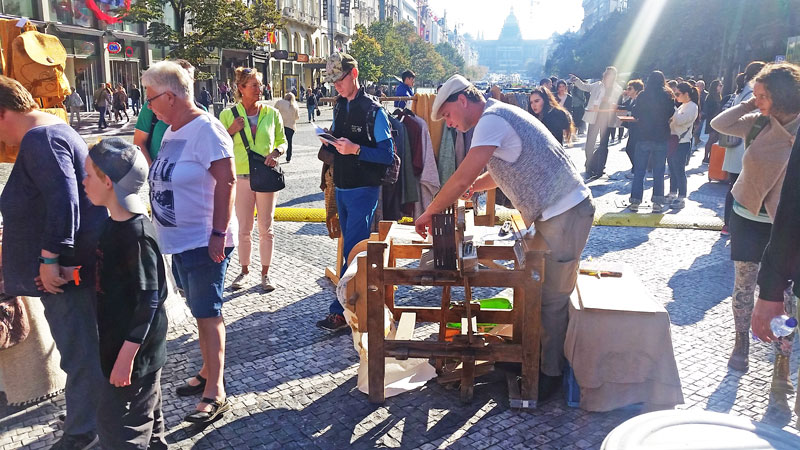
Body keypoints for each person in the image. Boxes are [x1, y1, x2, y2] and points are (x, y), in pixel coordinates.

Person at [417, 74, 594, 400]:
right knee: (536, 293)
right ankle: (527, 357)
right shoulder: (496, 115)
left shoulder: (490, 121)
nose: (450, 124)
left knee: (551, 299)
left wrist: (430, 212)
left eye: (448, 116)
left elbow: (460, 179)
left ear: (462, 101)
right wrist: (475, 186)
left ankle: (547, 375)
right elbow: (501, 168)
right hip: (556, 213)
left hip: (566, 213)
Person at [0, 75, 107, 449]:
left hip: (65, 271)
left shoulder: (40, 139)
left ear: (3, 114)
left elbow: (65, 202)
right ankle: (86, 415)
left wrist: (49, 259)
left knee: (77, 349)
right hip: (72, 265)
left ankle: (83, 431)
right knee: (80, 346)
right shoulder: (53, 129)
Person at [142, 61, 237, 424]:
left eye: (150, 98)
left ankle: (216, 390)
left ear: (170, 96)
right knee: (199, 310)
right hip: (179, 240)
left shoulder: (207, 130)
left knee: (208, 313)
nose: (147, 105)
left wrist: (217, 234)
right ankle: (206, 371)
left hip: (203, 239)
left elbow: (227, 183)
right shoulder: (171, 129)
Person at [711, 63, 800, 405]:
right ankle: (741, 342)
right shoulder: (758, 121)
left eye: (764, 95)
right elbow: (720, 125)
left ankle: (782, 359)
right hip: (748, 213)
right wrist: (751, 103)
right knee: (744, 285)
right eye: (757, 95)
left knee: (787, 297)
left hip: (785, 223)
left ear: (783, 94)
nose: (758, 100)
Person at [82, 138, 169, 449]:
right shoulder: (113, 224)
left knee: (119, 429)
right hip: (120, 343)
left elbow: (150, 299)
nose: (83, 181)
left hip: (134, 352)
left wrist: (125, 359)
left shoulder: (137, 235)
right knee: (149, 415)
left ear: (108, 181)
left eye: (88, 175)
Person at [315, 53, 394, 332]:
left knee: (353, 250)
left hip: (363, 188)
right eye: (332, 81)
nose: (335, 85)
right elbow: (339, 137)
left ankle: (342, 311)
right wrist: (330, 139)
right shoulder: (340, 105)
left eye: (339, 79)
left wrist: (356, 149)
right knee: (349, 249)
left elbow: (388, 154)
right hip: (343, 185)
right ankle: (351, 306)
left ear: (354, 73)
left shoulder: (374, 110)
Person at [219, 67, 287, 292]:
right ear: (241, 88)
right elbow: (218, 145)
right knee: (244, 228)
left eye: (260, 84)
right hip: (241, 178)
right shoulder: (228, 115)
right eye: (255, 85)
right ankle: (244, 271)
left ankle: (266, 274)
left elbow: (282, 141)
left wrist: (276, 152)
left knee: (266, 228)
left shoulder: (272, 113)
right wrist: (230, 130)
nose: (260, 89)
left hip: (266, 176)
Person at [753, 129, 800, 428]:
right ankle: (779, 383)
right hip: (754, 225)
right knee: (785, 328)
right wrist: (771, 289)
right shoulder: (757, 124)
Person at [718, 61, 766, 236]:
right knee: (739, 187)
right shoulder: (751, 93)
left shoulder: (742, 89)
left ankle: (729, 224)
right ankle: (732, 225)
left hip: (735, 145)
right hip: (742, 144)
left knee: (734, 186)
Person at [628, 70, 675, 213]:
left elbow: (635, 112)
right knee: (659, 171)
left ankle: (635, 202)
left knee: (639, 171)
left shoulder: (643, 95)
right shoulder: (667, 95)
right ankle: (657, 202)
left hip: (644, 136)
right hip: (661, 136)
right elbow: (671, 112)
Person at [570, 67, 623, 179]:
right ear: (605, 75)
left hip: (607, 118)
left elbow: (617, 102)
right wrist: (576, 80)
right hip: (594, 116)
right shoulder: (597, 85)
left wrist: (608, 100)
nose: (609, 76)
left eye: (611, 75)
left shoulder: (617, 88)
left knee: (604, 144)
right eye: (607, 74)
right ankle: (589, 165)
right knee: (590, 142)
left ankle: (600, 168)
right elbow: (585, 87)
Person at [666, 82, 699, 209]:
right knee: (672, 169)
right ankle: (673, 193)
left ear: (686, 94)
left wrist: (672, 108)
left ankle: (681, 197)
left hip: (682, 141)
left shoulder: (692, 106)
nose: (676, 96)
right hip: (674, 140)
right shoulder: (683, 106)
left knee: (679, 170)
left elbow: (679, 121)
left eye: (678, 94)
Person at [620, 79, 644, 177]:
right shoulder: (631, 99)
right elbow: (624, 107)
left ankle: (637, 170)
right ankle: (635, 169)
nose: (627, 90)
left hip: (639, 129)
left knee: (631, 149)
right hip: (633, 128)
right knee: (631, 149)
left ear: (636, 90)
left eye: (630, 88)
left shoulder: (640, 99)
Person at [701, 79, 724, 164]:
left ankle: (711, 156)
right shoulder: (711, 96)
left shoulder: (719, 96)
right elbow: (709, 109)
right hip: (712, 120)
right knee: (711, 139)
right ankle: (706, 157)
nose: (721, 87)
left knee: (715, 139)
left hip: (717, 120)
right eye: (720, 85)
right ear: (715, 87)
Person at [274, 92, 299, 163]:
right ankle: (288, 158)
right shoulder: (295, 105)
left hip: (280, 125)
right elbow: (297, 117)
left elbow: (274, 111)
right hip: (291, 126)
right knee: (289, 142)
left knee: (277, 141)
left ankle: (275, 157)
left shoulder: (279, 102)